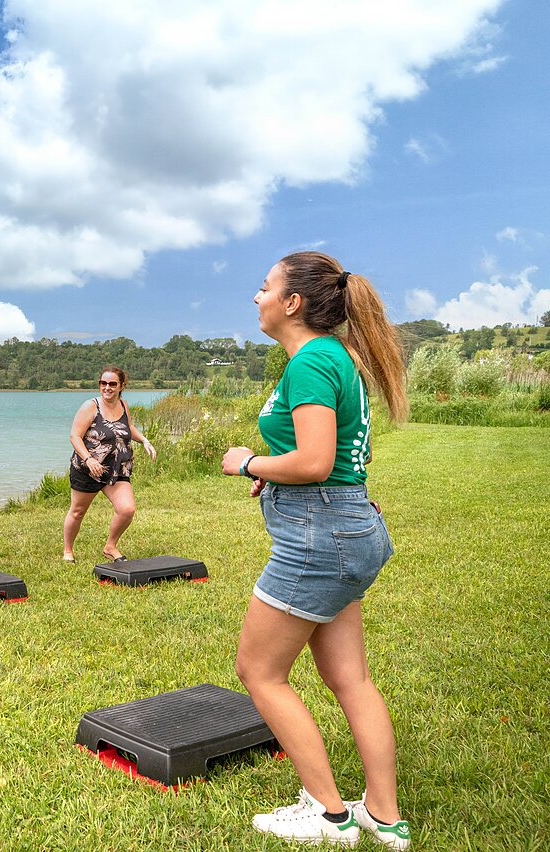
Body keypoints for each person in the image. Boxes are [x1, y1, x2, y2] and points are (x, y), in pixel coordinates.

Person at [220, 252, 410, 849]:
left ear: (292, 303)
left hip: (319, 537)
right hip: (348, 528)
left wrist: (247, 462)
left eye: (265, 286)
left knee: (259, 671)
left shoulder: (310, 361)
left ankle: (328, 815)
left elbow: (316, 460)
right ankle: (384, 815)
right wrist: (278, 475)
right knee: (350, 678)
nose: (257, 297)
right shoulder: (336, 358)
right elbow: (348, 454)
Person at [62, 366, 156, 562]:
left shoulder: (123, 405)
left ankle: (110, 546)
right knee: (78, 511)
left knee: (127, 509)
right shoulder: (90, 406)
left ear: (122, 386)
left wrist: (144, 440)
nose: (107, 387)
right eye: (103, 383)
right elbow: (75, 436)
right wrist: (88, 459)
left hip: (117, 468)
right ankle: (68, 551)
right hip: (89, 469)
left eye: (112, 384)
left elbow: (128, 427)